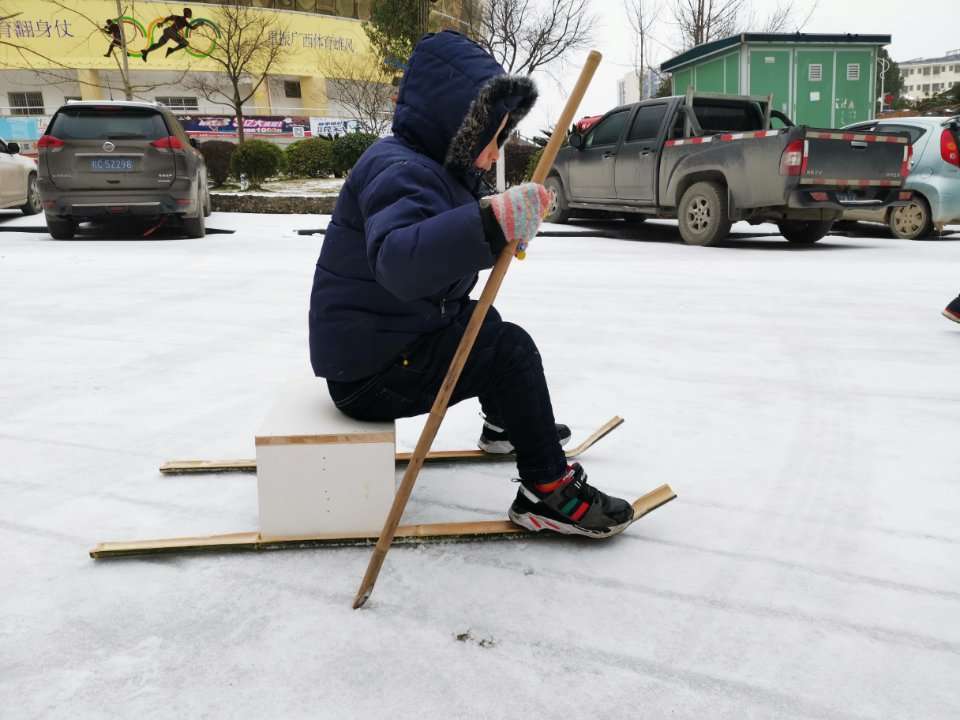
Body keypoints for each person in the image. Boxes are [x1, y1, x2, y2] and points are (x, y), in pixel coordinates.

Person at [308, 31, 634, 538]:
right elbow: (402, 263)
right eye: (491, 138)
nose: (491, 155)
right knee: (509, 350)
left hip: (380, 345)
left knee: (483, 322)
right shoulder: (397, 171)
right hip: (369, 376)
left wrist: (497, 231)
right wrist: (488, 223)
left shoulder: (432, 167)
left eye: (502, 138)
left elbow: (442, 269)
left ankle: (506, 424)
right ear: (456, 124)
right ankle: (546, 493)